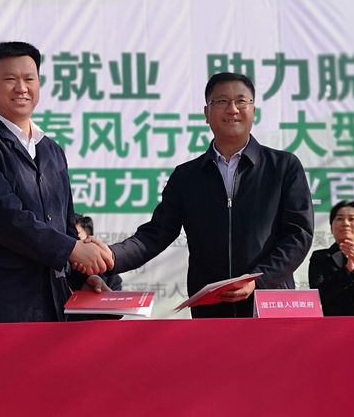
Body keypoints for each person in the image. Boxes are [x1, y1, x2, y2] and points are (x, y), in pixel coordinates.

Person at [84, 72, 314, 318]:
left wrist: (259, 279)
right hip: (211, 309)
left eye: (241, 101)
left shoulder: (283, 166)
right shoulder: (187, 177)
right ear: (206, 113)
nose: (232, 109)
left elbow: (299, 234)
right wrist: (111, 256)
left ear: (253, 110)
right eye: (222, 101)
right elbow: (154, 235)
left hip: (268, 305)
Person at [0, 41, 112, 323]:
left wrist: (82, 278)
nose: (21, 88)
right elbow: (4, 216)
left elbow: (65, 223)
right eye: (10, 79)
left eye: (29, 79)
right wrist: (72, 250)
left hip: (52, 303)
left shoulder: (51, 150)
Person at [75, 214, 123, 291]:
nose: (71, 243)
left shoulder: (108, 275)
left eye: (76, 234)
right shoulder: (59, 270)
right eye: (66, 237)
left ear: (89, 237)